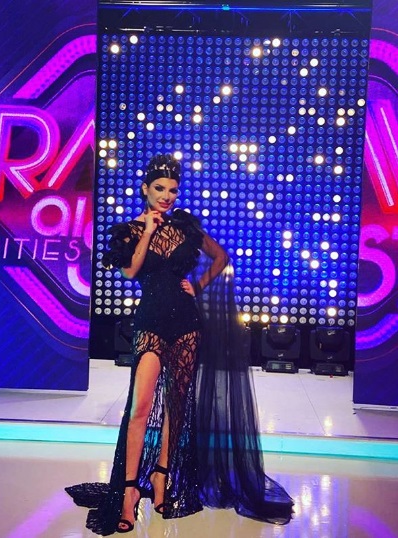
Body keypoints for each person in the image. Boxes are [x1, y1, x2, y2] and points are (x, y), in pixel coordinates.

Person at [66, 153, 294, 535]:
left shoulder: (185, 228)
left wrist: (199, 286)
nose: (166, 196)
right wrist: (148, 231)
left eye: (172, 190)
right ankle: (128, 492)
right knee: (139, 408)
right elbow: (131, 270)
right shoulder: (129, 231)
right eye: (160, 188)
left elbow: (221, 257)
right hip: (151, 324)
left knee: (176, 408)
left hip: (187, 326)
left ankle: (162, 477)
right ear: (145, 189)